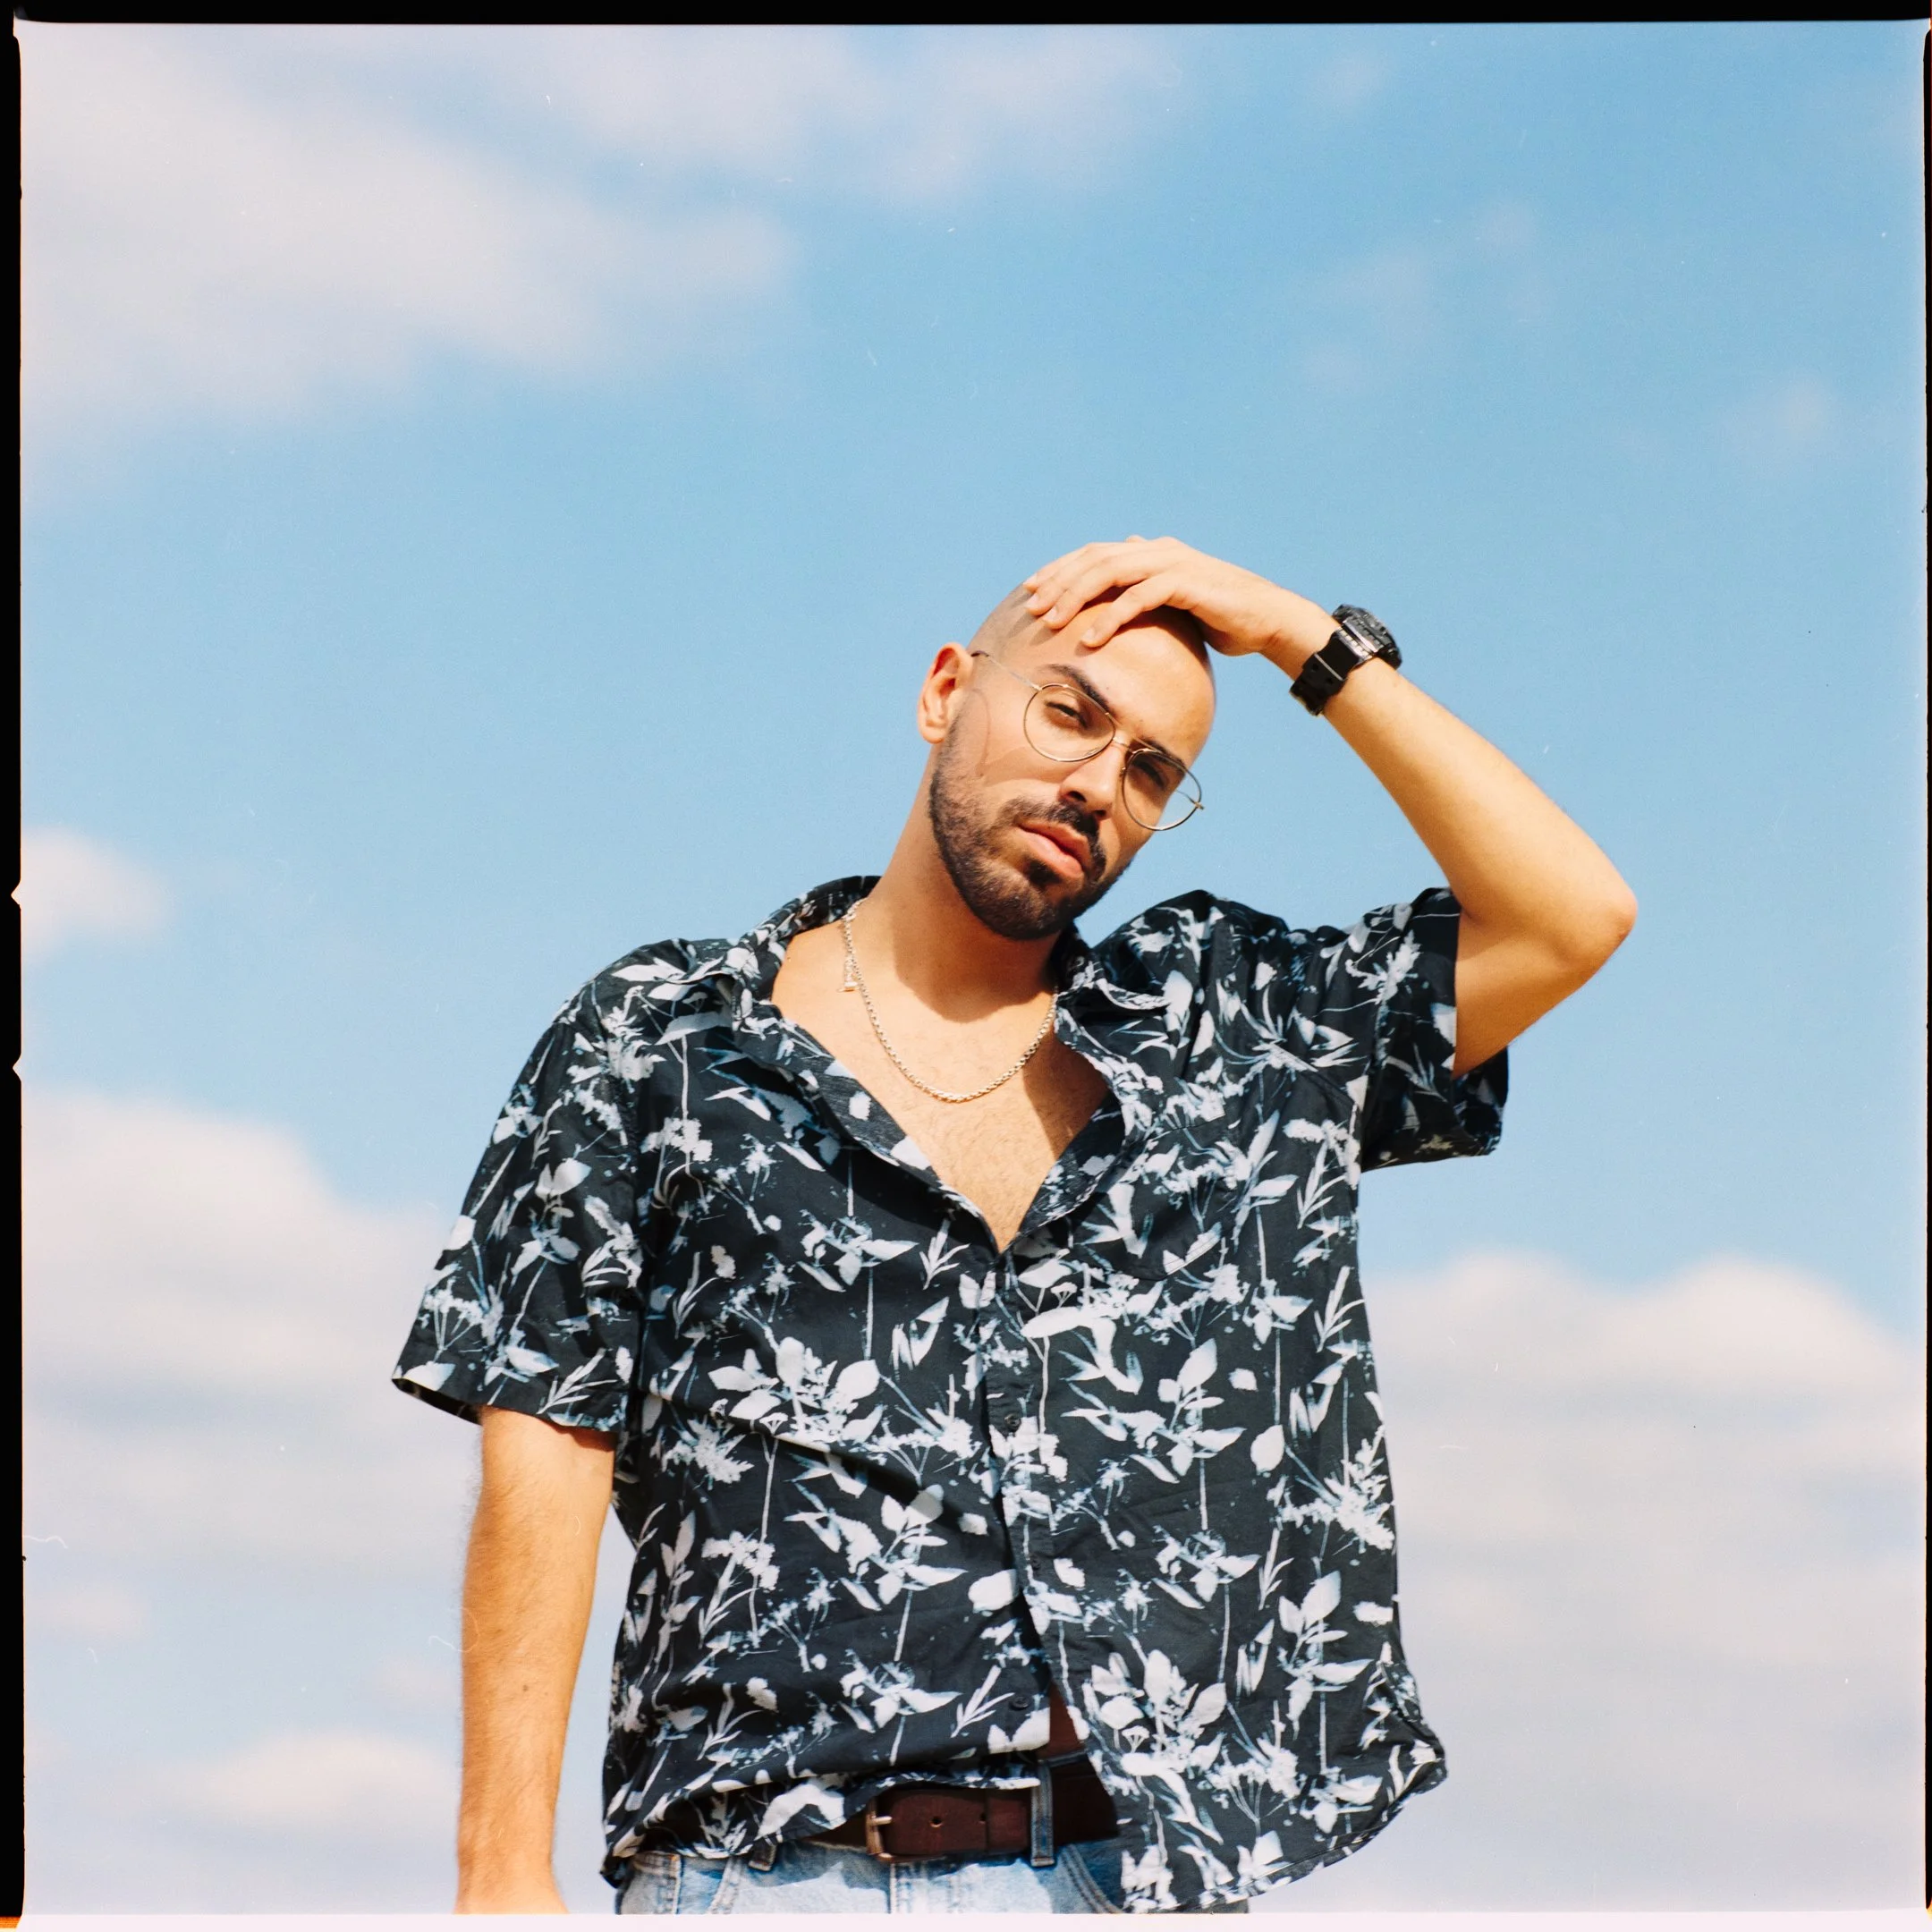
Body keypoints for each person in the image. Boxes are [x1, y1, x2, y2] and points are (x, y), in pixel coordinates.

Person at [394, 537, 1635, 1915]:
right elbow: (548, 1444)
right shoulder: (660, 1040)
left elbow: (1571, 914)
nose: (1100, 783)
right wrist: (501, 1876)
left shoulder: (1231, 1029)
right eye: (1071, 712)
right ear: (945, 693)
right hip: (762, 1876)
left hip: (1124, 1877)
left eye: (1154, 768)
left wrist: (1297, 637)